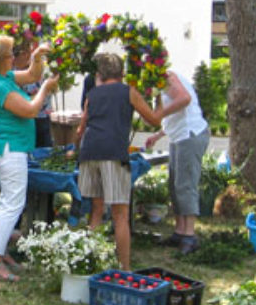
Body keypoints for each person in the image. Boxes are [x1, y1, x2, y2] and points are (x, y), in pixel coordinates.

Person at [0, 35, 59, 282]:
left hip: (8, 146)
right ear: (1, 60)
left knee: (8, 203)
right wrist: (46, 88)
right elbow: (32, 110)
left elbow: (32, 76)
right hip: (10, 148)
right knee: (11, 204)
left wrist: (37, 58)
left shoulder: (2, 78)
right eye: (10, 54)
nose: (14, 57)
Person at [75, 53, 164, 269]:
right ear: (122, 73)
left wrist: (75, 151)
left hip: (89, 153)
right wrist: (160, 100)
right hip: (113, 153)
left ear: (99, 74)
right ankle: (125, 268)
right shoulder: (129, 92)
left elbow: (80, 129)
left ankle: (88, 263)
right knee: (120, 214)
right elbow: (153, 120)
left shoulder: (92, 95)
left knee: (96, 211)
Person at [144, 70, 210, 255]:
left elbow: (184, 99)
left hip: (190, 134)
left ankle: (190, 235)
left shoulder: (166, 77)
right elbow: (173, 114)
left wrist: (159, 114)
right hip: (177, 136)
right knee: (174, 185)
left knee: (185, 184)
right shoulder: (159, 86)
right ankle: (179, 232)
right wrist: (158, 135)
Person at [13, 43, 54, 148]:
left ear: (25, 54)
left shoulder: (40, 67)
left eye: (15, 57)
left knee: (43, 150)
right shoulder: (14, 70)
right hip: (21, 119)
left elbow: (46, 92)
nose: (12, 61)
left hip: (40, 117)